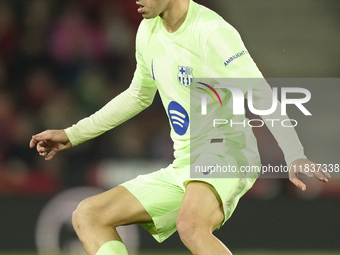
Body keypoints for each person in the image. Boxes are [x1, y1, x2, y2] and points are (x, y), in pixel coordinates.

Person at [29, 0, 331, 254]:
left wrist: (293, 153)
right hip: (185, 164)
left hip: (227, 153)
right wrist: (73, 134)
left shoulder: (213, 32)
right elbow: (137, 95)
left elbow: (260, 92)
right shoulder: (148, 30)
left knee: (191, 225)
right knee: (88, 215)